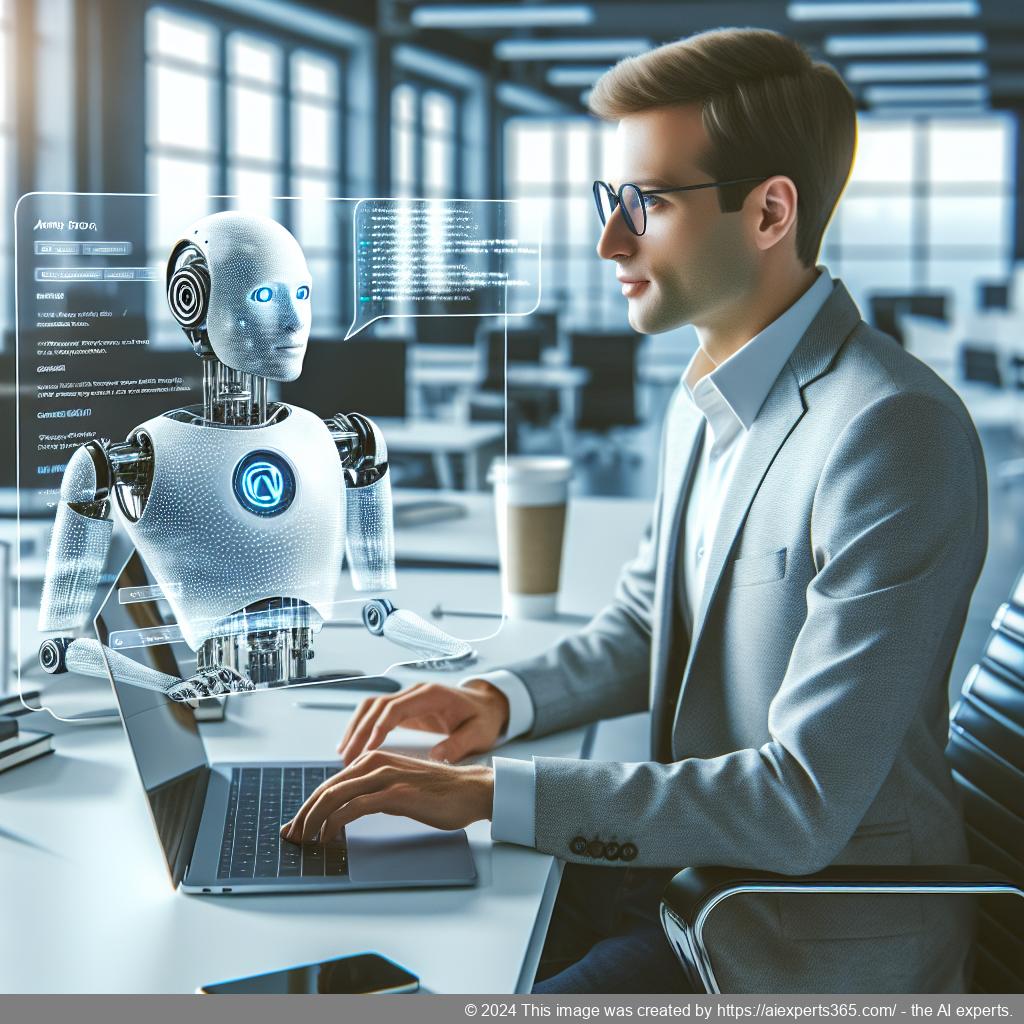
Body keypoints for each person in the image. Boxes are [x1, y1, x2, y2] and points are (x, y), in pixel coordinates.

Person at [281, 28, 987, 994]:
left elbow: (802, 801)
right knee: (364, 932)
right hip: (682, 889)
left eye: (647, 202)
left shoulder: (892, 431)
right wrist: (500, 701)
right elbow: (653, 620)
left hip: (788, 946)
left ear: (771, 210)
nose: (612, 239)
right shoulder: (708, 396)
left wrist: (489, 795)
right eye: (613, 201)